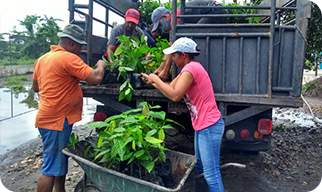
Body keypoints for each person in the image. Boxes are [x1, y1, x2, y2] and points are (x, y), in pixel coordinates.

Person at [141, 37, 225, 192]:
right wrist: (151, 80)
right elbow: (169, 87)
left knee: (211, 174)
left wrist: (154, 79)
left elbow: (174, 95)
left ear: (184, 55)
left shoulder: (191, 69)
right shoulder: (187, 69)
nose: (172, 58)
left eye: (174, 55)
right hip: (203, 126)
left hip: (209, 125)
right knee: (200, 168)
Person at [32, 24, 107, 192]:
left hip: (45, 118)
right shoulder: (68, 58)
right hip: (57, 122)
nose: (80, 50)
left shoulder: (42, 59)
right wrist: (101, 65)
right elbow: (96, 77)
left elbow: (36, 88)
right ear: (72, 44)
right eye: (80, 46)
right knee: (50, 167)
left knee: (58, 161)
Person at [151, 1, 227, 81]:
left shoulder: (175, 16)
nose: (161, 27)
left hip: (215, 11)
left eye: (160, 24)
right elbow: (171, 46)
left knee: (194, 36)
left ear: (165, 16)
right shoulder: (175, 15)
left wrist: (165, 71)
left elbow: (174, 46)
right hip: (215, 10)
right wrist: (160, 69)